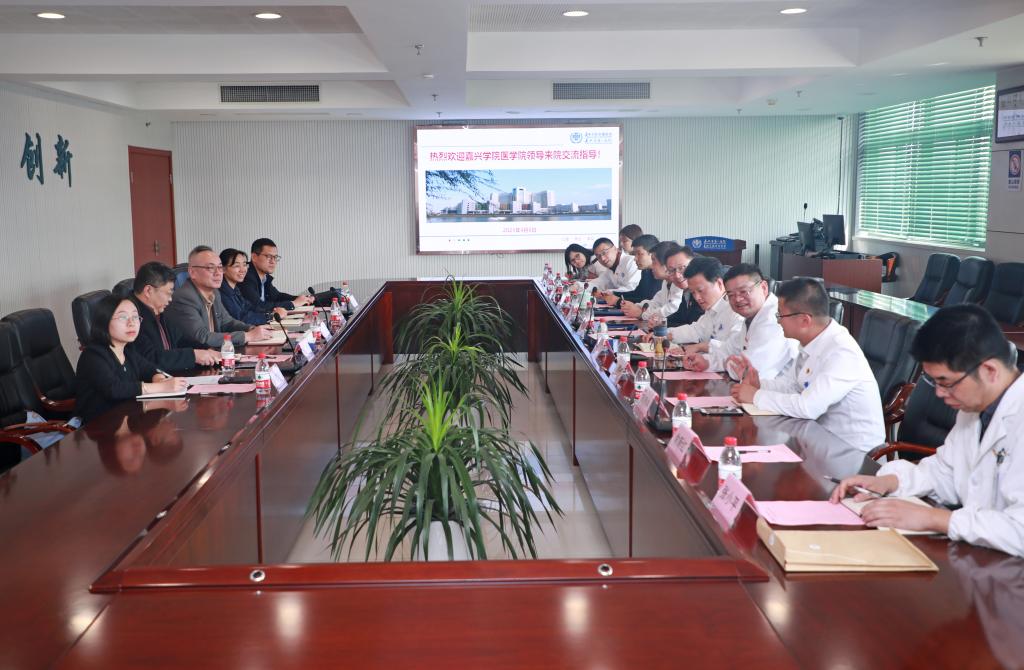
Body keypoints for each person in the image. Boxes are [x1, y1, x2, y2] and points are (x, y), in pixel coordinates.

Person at [831, 305, 1024, 557]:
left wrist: (935, 519)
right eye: (933, 382)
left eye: (946, 382)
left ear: (989, 370)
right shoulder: (975, 409)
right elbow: (945, 471)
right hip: (981, 558)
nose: (939, 393)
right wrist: (888, 482)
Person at [730, 278, 885, 453]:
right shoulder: (812, 342)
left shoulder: (841, 353)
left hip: (853, 453)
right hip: (817, 440)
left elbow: (808, 407)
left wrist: (756, 396)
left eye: (780, 315)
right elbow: (792, 386)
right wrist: (760, 385)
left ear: (804, 320)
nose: (778, 321)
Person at [75, 295, 187, 424]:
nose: (131, 323)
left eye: (135, 317)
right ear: (104, 321)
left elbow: (151, 369)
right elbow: (114, 389)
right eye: (123, 317)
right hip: (96, 427)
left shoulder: (128, 351)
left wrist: (158, 378)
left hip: (127, 418)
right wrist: (161, 387)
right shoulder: (93, 355)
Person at [683, 263, 795, 380]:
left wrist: (727, 363)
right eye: (731, 295)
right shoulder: (753, 316)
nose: (737, 299)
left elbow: (749, 372)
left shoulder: (774, 319)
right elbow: (729, 349)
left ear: (763, 287)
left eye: (744, 291)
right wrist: (706, 362)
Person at [163, 246, 274, 348]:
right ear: (192, 272)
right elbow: (202, 338)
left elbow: (227, 322)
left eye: (220, 267)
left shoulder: (214, 292)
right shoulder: (185, 298)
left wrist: (250, 328)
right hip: (194, 359)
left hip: (214, 354)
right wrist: (248, 336)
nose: (218, 273)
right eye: (210, 268)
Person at [130, 262, 221, 373]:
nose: (170, 299)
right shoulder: (132, 318)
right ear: (148, 291)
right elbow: (150, 358)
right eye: (168, 293)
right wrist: (194, 356)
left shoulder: (158, 310)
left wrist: (207, 350)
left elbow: (180, 340)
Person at [666, 256, 743, 355]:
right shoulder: (712, 309)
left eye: (700, 290)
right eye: (693, 293)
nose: (697, 297)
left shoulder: (737, 310)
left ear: (719, 284)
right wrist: (664, 334)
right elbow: (696, 330)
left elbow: (736, 348)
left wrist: (700, 347)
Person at [240, 238, 314, 312]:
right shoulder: (245, 276)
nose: (273, 261)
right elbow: (258, 306)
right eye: (269, 256)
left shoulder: (264, 277)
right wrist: (293, 303)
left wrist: (303, 299)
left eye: (275, 257)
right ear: (254, 257)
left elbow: (277, 297)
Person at [219, 248, 287, 325]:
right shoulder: (221, 293)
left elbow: (250, 307)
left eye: (244, 265)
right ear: (223, 269)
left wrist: (272, 312)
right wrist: (271, 316)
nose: (243, 270)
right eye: (237, 266)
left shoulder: (235, 289)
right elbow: (241, 318)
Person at [622, 241, 683, 322]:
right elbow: (655, 303)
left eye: (654, 261)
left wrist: (642, 314)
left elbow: (670, 309)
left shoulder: (679, 284)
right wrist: (637, 306)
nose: (652, 266)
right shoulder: (666, 282)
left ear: (668, 264)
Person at [605, 234, 660, 307]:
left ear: (652, 254)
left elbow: (648, 299)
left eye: (639, 254)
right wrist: (614, 294)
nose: (635, 259)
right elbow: (637, 293)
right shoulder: (646, 271)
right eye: (634, 254)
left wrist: (618, 301)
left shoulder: (660, 275)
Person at [662, 245, 704, 328]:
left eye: (681, 268)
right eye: (671, 270)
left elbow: (698, 327)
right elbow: (680, 320)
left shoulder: (704, 290)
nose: (677, 276)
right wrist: (661, 323)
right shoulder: (683, 290)